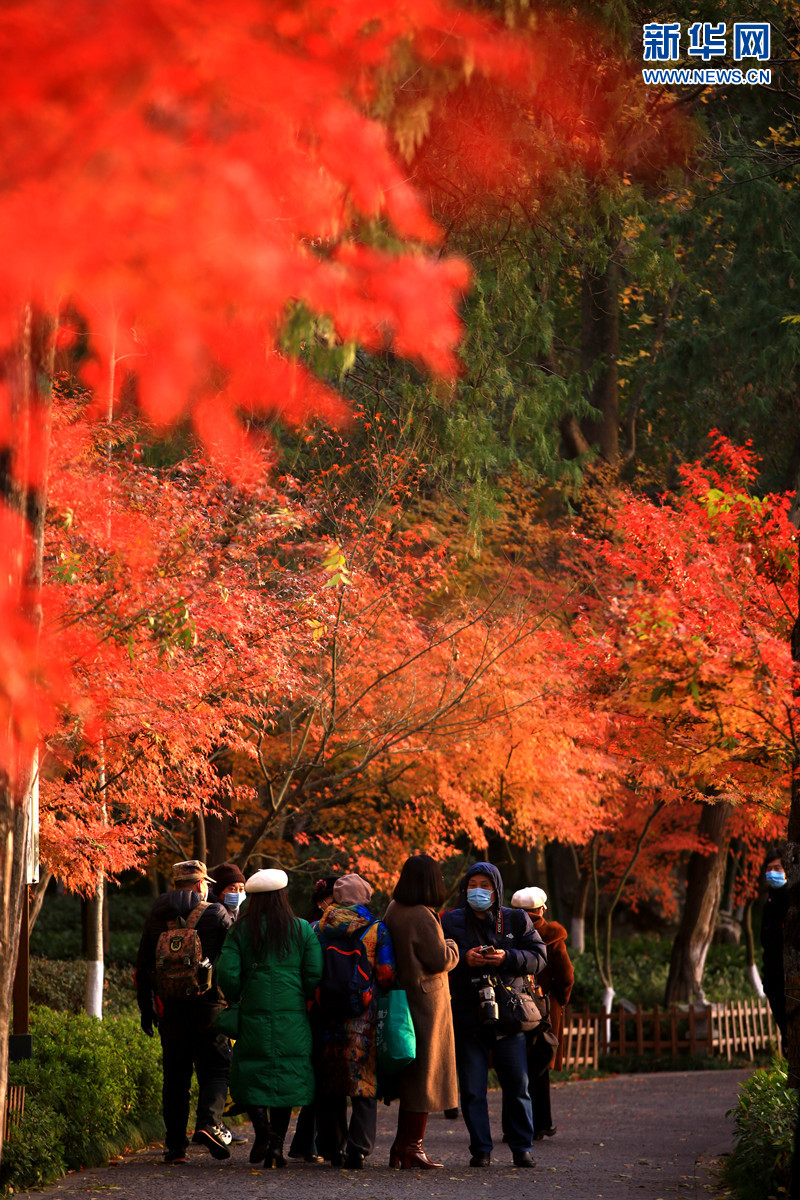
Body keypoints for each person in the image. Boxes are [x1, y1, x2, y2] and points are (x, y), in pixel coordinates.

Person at [441, 861, 547, 1169]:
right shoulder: (450, 920)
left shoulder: (515, 920)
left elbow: (540, 957)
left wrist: (507, 958)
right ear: (465, 888)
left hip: (509, 1014)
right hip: (467, 1013)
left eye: (485, 886)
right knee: (473, 1089)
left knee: (517, 1085)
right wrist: (464, 960)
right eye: (473, 885)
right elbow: (438, 957)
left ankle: (522, 1148)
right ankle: (481, 1150)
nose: (478, 891)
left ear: (497, 889)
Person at [216, 867, 323, 1168]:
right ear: (282, 896)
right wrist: (299, 992)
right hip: (294, 1016)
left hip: (253, 1013)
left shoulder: (240, 930)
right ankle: (276, 1145)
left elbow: (227, 973)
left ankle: (262, 1129)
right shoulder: (302, 929)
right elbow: (315, 973)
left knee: (252, 1070)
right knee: (287, 1075)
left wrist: (238, 994)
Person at [135, 858, 234, 1164]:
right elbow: (232, 959)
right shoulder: (216, 913)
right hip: (209, 1007)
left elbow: (143, 965)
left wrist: (146, 1008)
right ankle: (208, 1122)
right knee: (217, 1068)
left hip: (171, 1009)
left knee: (175, 1077)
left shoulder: (156, 916)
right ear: (201, 884)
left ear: (175, 884)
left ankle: (175, 1147)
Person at [314, 873, 396, 1169]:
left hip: (325, 1017)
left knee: (329, 1083)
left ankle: (332, 1147)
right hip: (363, 1017)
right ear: (365, 897)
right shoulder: (376, 929)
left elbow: (309, 971)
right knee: (363, 1084)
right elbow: (386, 973)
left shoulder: (317, 927)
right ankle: (358, 1148)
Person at [383, 854, 459, 1169]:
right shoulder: (422, 916)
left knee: (414, 1075)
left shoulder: (394, 909)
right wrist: (454, 946)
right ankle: (411, 1147)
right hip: (427, 1004)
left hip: (405, 999)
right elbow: (440, 959)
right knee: (425, 1077)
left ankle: (403, 1146)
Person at [511, 886, 574, 1139]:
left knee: (514, 1063)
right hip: (545, 1006)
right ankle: (541, 1123)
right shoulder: (552, 936)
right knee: (540, 1062)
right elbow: (566, 975)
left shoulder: (506, 933)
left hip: (512, 1006)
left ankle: (514, 1127)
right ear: (541, 909)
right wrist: (561, 999)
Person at [761, 846, 788, 1053]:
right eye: (769, 868)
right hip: (773, 978)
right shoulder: (768, 905)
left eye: (777, 867)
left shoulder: (793, 901)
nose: (772, 872)